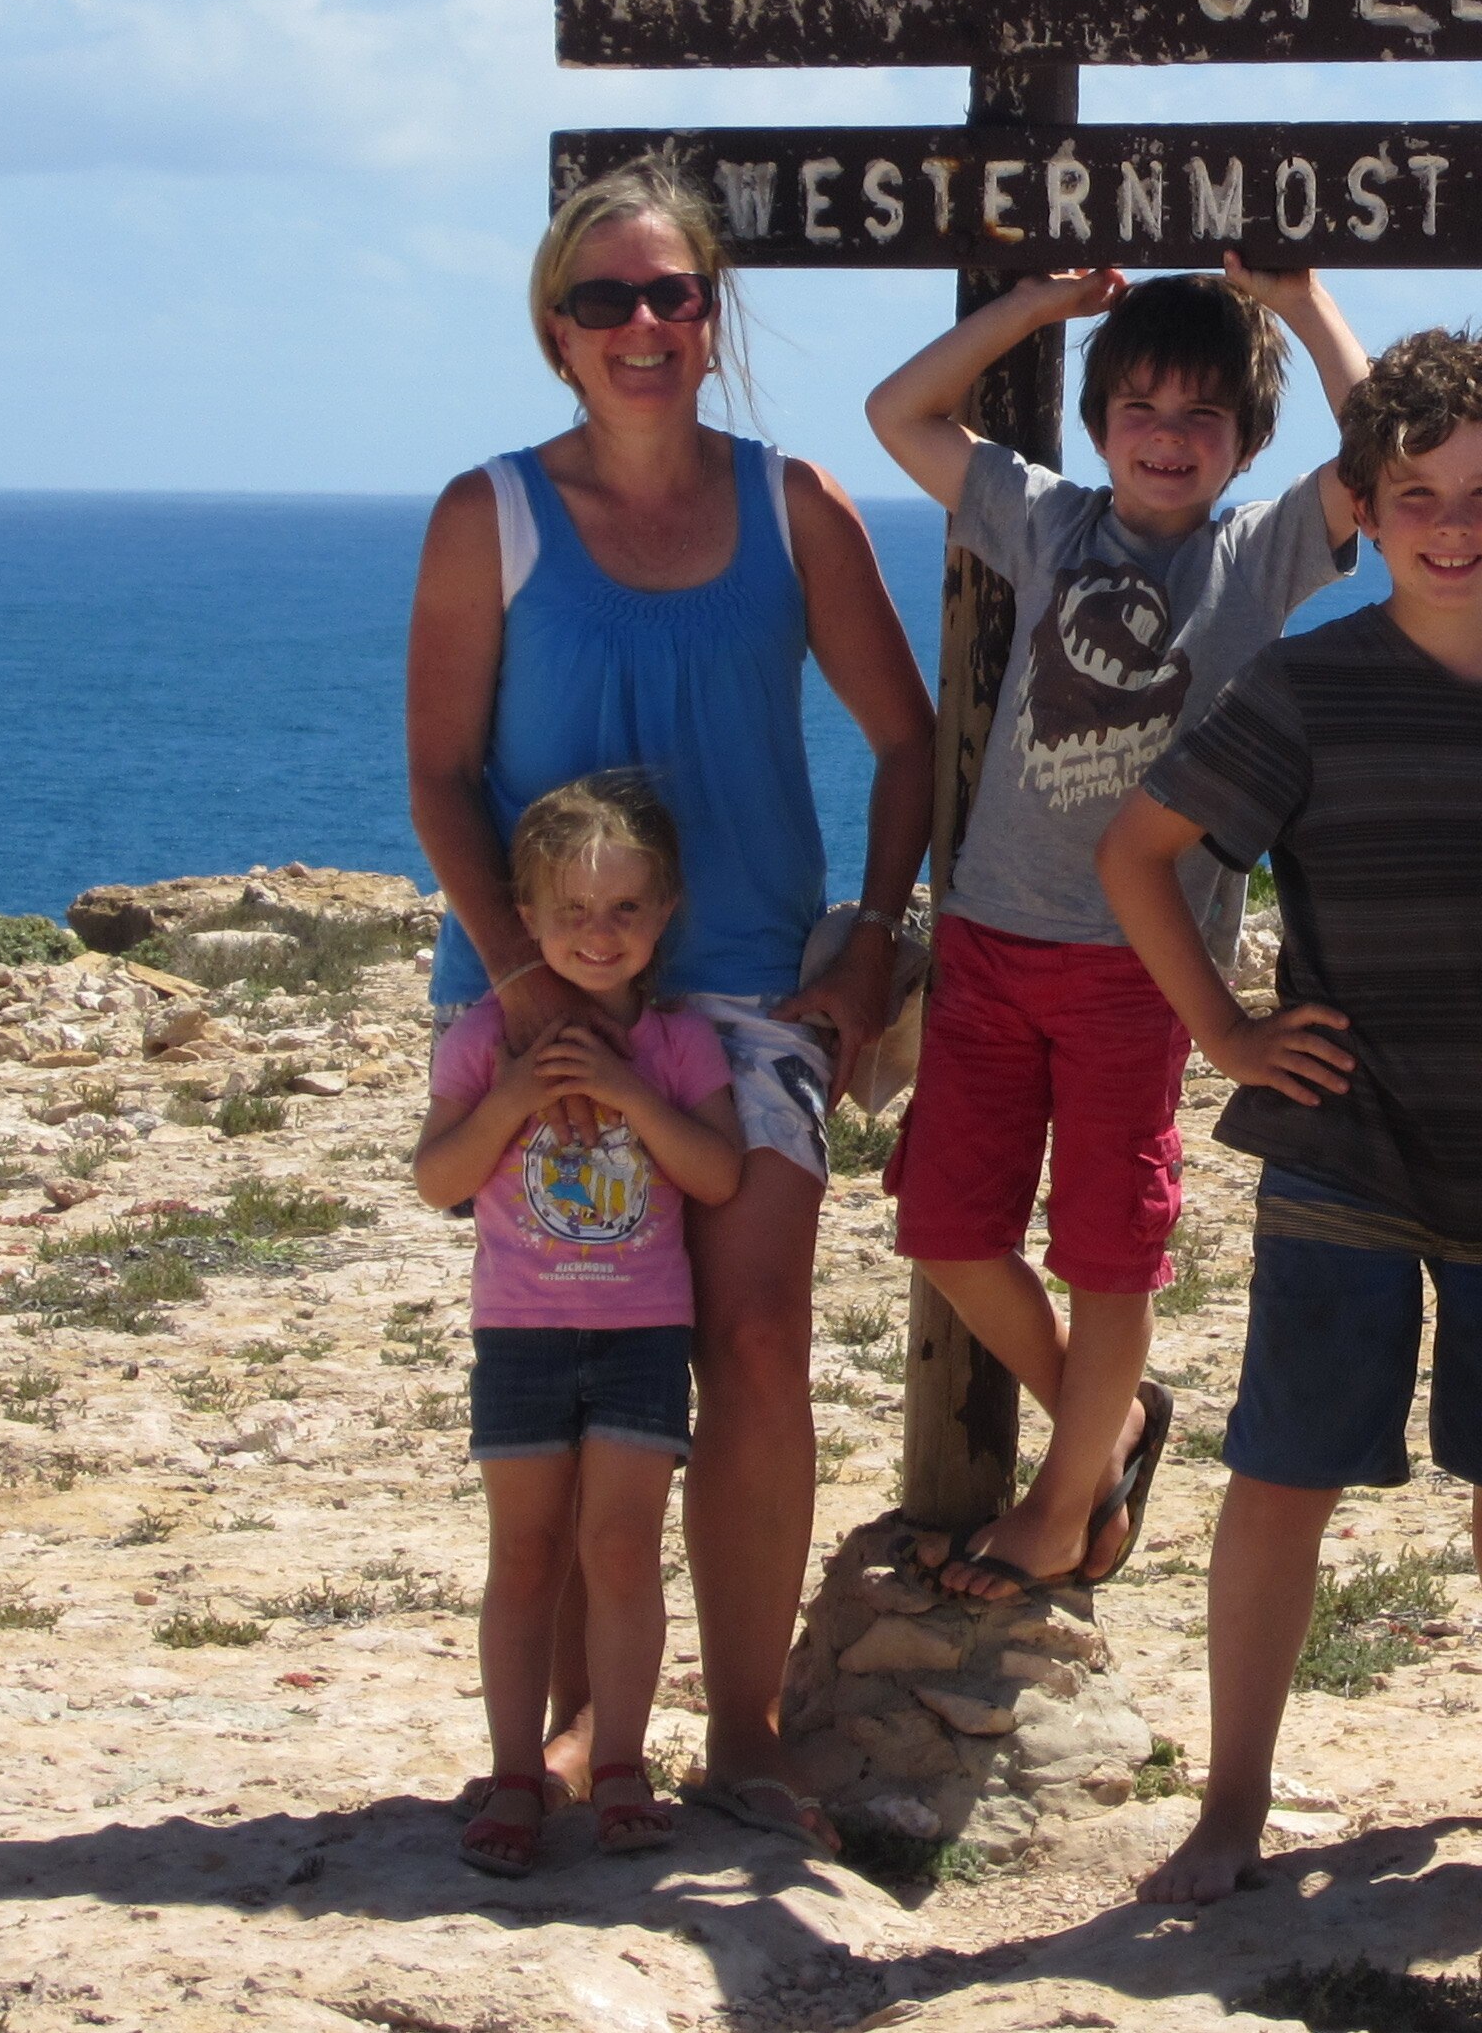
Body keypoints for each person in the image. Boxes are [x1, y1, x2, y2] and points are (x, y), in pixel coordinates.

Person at [403, 152, 933, 1852]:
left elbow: (910, 742)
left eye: (670, 296)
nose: (641, 326)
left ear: (713, 317)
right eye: (604, 299)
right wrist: (516, 986)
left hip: (761, 991)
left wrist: (872, 939)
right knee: (574, 1350)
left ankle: (749, 1724)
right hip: (543, 1002)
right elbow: (437, 775)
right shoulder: (486, 516)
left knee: (755, 1337)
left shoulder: (796, 509)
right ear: (555, 329)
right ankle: (574, 1734)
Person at [1098, 326, 1482, 1906]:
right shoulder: (1308, 679)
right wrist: (1227, 1034)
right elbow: (1139, 855)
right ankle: (1234, 1801)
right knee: (1287, 1470)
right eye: (1415, 493)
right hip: (1341, 1147)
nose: (1451, 522)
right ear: (1371, 503)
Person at [861, 261, 1369, 1600]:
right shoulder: (1047, 521)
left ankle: (1060, 1500)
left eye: (1204, 412)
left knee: (1107, 1248)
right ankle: (1121, 1418)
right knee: (947, 1226)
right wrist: (1033, 312)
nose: (1166, 431)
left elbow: (1391, 457)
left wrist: (1306, 309)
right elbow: (897, 414)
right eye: (1138, 402)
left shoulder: (1256, 556)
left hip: (1140, 971)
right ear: (1095, 424)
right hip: (984, 936)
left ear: (1250, 443)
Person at [414, 774, 748, 1877]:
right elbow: (437, 1178)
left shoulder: (680, 1046)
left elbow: (714, 1173)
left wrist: (630, 1096)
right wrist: (511, 1099)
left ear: (665, 914)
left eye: (624, 911)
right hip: (520, 1334)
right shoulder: (477, 1044)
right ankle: (515, 1771)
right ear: (524, 919)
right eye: (571, 914)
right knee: (524, 1554)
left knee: (618, 1549)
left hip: (643, 1334)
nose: (598, 937)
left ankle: (619, 1762)